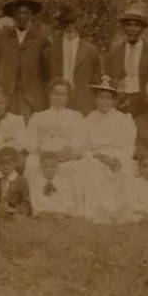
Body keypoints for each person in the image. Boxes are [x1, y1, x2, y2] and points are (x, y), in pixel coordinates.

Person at [23, 79, 88, 217]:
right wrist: (41, 152)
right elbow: (29, 139)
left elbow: (80, 139)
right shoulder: (38, 116)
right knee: (31, 163)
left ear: (68, 97)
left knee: (76, 167)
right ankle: (38, 208)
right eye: (56, 94)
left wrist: (67, 152)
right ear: (50, 95)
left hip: (65, 155)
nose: (59, 98)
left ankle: (66, 209)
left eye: (63, 94)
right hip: (42, 155)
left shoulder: (75, 117)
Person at [80, 75, 138, 224]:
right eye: (100, 97)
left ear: (114, 101)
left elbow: (129, 144)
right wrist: (95, 156)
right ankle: (96, 216)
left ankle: (121, 215)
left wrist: (117, 158)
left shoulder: (124, 120)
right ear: (96, 99)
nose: (104, 101)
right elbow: (84, 145)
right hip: (97, 156)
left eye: (108, 98)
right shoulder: (89, 118)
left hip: (118, 157)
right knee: (92, 171)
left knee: (126, 171)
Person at [0, 0, 50, 118]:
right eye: (18, 13)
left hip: (31, 95)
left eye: (26, 13)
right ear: (13, 16)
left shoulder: (41, 38)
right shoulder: (2, 37)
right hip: (7, 93)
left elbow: (47, 68)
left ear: (31, 16)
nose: (22, 16)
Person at [105, 7, 148, 116]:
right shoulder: (113, 54)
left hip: (145, 102)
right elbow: (108, 81)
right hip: (121, 103)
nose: (132, 29)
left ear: (142, 28)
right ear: (124, 28)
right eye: (129, 25)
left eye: (136, 25)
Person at [48, 5, 102, 114]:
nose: (70, 26)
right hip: (59, 101)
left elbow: (97, 77)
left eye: (73, 22)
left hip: (83, 103)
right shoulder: (51, 50)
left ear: (79, 23)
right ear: (61, 25)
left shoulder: (91, 50)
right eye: (66, 23)